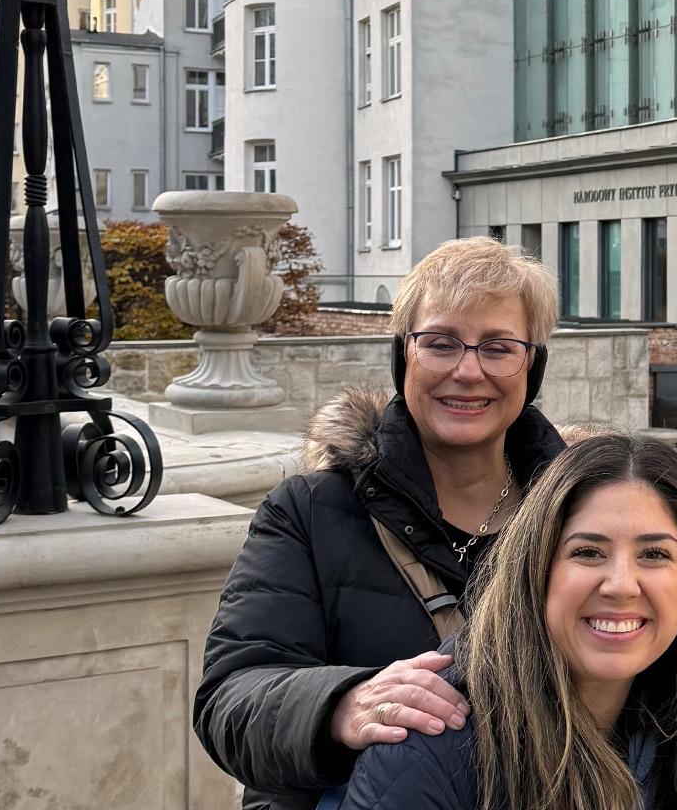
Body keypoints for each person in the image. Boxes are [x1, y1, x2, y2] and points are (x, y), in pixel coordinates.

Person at [195, 237, 568, 810]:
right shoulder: (310, 511)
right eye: (440, 343)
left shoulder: (578, 514)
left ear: (531, 364)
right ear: (403, 356)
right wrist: (340, 705)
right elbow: (229, 701)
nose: (468, 372)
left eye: (498, 348)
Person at [339, 433, 677, 810]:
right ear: (537, 569)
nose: (621, 585)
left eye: (654, 554)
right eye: (587, 552)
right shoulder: (434, 746)